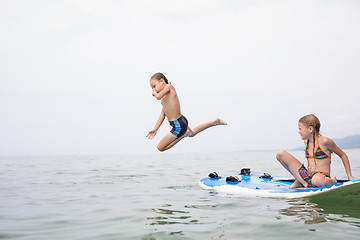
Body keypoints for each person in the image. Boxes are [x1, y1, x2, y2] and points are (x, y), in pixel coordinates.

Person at [147, 72, 227, 152]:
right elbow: (162, 116)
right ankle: (215, 122)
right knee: (193, 133)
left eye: (154, 86)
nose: (153, 91)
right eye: (152, 88)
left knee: (160, 148)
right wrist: (155, 129)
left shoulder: (169, 87)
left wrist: (154, 93)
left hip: (178, 125)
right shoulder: (164, 100)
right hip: (181, 121)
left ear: (162, 81)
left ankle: (183, 135)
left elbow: (158, 97)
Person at [276, 114, 357, 188]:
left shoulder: (325, 142)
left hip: (320, 177)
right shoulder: (306, 142)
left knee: (316, 180)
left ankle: (331, 180)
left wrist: (349, 176)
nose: (299, 132)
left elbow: (343, 155)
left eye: (300, 129)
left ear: (310, 129)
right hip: (307, 176)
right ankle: (302, 182)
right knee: (280, 154)